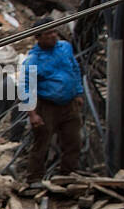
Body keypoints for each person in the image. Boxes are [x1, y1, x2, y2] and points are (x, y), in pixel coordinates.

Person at [19, 19, 85, 184]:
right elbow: (26, 88)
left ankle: (68, 175)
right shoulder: (33, 60)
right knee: (42, 143)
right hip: (47, 106)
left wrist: (78, 92)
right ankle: (34, 178)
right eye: (48, 33)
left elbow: (75, 69)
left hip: (69, 103)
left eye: (54, 32)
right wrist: (32, 114)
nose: (53, 36)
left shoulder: (65, 48)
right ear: (38, 37)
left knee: (73, 141)